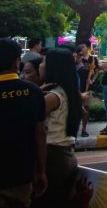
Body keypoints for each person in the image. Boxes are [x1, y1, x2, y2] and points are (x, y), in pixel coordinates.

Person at [0, 39, 46, 208]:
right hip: (21, 174)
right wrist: (41, 171)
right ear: (17, 62)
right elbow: (40, 133)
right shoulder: (33, 92)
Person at [35, 47, 81, 207]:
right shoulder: (68, 92)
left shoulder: (53, 97)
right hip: (65, 155)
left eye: (44, 61)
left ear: (53, 67)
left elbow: (29, 117)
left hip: (53, 158)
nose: (40, 65)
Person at [75, 42, 97, 137]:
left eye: (83, 46)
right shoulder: (76, 58)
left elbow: (97, 71)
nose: (81, 48)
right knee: (76, 108)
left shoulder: (93, 59)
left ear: (88, 48)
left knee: (86, 108)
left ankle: (84, 129)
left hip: (87, 87)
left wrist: (92, 80)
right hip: (76, 87)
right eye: (80, 46)